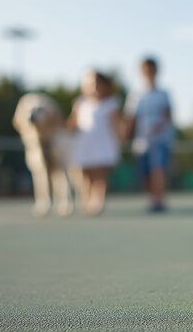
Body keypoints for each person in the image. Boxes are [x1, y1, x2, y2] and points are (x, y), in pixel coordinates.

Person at [124, 57, 174, 212]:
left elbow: (168, 114)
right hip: (142, 141)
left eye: (151, 69)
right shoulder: (135, 95)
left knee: (158, 169)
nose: (148, 72)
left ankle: (158, 200)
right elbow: (131, 117)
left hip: (161, 140)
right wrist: (125, 134)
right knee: (145, 175)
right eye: (145, 69)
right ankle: (153, 197)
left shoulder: (164, 93)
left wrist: (160, 127)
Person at [68, 70, 122, 215]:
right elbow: (73, 124)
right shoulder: (80, 103)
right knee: (86, 175)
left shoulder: (111, 103)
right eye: (90, 84)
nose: (94, 87)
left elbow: (116, 125)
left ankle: (98, 201)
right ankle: (87, 199)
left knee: (100, 175)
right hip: (84, 144)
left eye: (97, 84)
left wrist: (120, 140)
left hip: (103, 144)